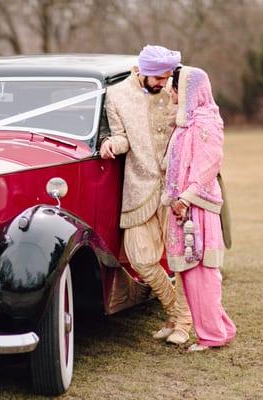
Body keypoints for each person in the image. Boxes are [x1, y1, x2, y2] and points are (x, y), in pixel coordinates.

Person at [101, 45, 192, 344]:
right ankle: (173, 310)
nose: (165, 84)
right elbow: (122, 137)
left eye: (168, 78)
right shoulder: (116, 96)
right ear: (145, 72)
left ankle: (183, 323)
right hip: (138, 187)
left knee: (180, 258)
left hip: (175, 188)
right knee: (140, 259)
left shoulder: (175, 93)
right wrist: (110, 144)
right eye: (161, 78)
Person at [162, 66, 236, 352]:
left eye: (175, 87)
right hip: (184, 204)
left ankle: (212, 335)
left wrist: (185, 198)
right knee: (191, 273)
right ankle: (221, 328)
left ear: (191, 91)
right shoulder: (188, 122)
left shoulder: (205, 122)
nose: (171, 92)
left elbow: (208, 165)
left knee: (202, 272)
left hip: (197, 205)